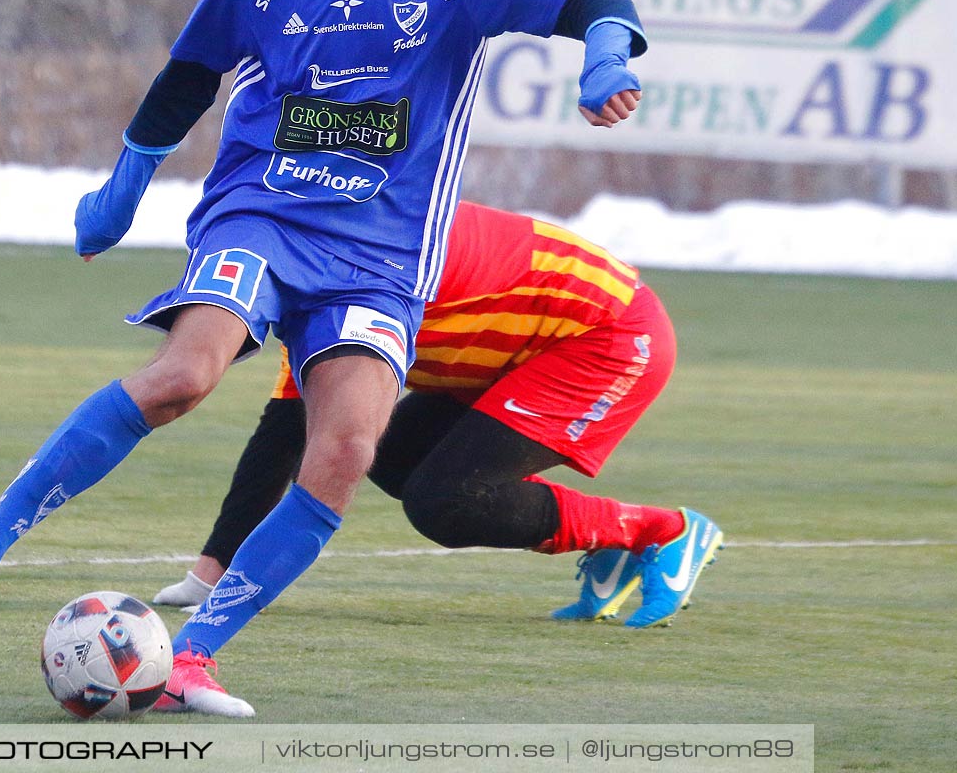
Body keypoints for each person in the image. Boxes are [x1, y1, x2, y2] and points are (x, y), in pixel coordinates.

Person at [0, 0, 648, 717]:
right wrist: (119, 194)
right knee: (184, 377)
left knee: (344, 448)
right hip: (262, 209)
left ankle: (194, 661)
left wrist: (605, 55)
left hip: (384, 250)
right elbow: (186, 79)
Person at [153, 200, 723, 629]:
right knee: (391, 456)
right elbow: (287, 433)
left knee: (446, 501)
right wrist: (212, 574)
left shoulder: (387, 268)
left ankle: (662, 531)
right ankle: (618, 537)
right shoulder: (319, 291)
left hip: (607, 335)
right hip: (515, 347)